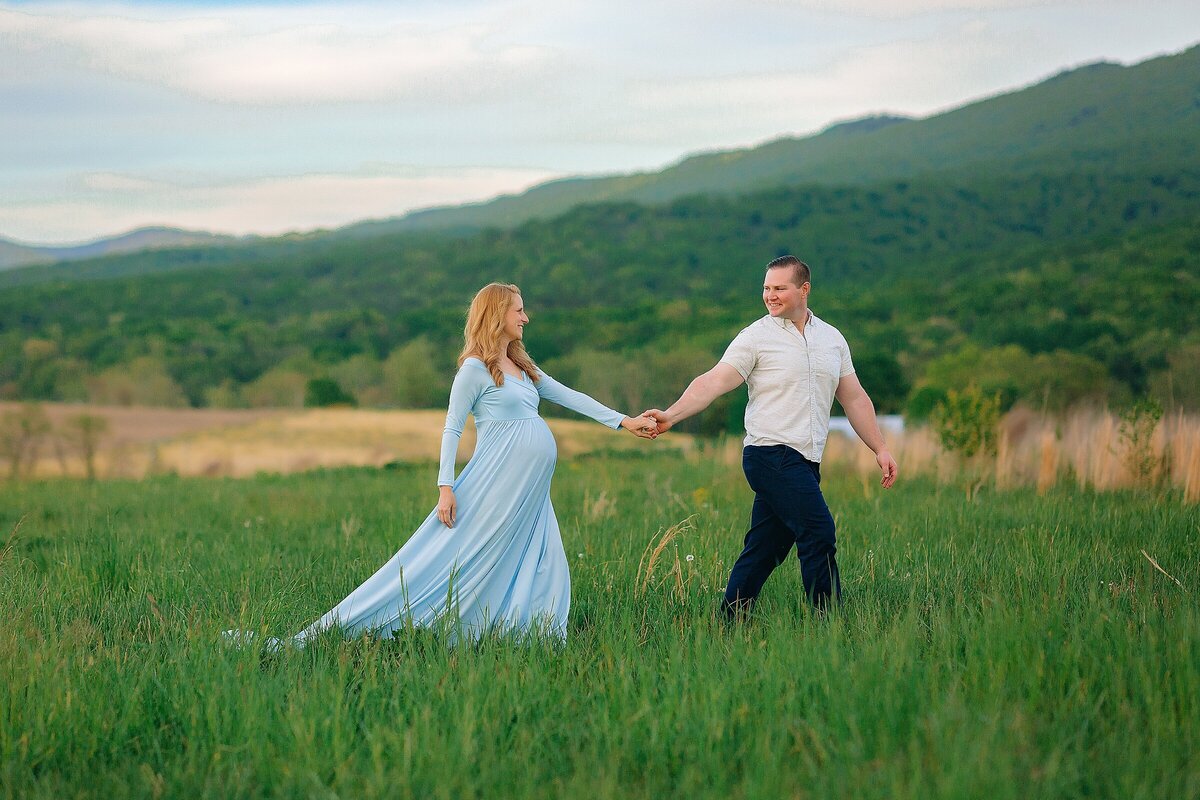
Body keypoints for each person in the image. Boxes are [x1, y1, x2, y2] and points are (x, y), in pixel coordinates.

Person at [227, 283, 657, 649]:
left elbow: (569, 396)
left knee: (542, 557)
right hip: (497, 481)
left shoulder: (523, 365)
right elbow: (452, 429)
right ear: (497, 315)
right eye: (519, 310)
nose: (526, 318)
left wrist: (624, 421)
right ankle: (409, 626)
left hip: (530, 490)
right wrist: (445, 487)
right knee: (468, 553)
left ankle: (531, 632)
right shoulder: (474, 369)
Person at [645, 255, 897, 618]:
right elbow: (713, 381)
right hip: (770, 455)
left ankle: (730, 619)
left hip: (807, 460)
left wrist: (881, 447)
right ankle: (829, 622)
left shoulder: (832, 339)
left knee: (766, 546)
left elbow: (854, 397)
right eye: (766, 288)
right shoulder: (755, 338)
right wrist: (671, 415)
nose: (770, 295)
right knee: (819, 532)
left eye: (780, 288)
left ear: (804, 289)